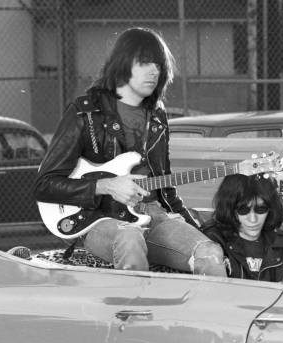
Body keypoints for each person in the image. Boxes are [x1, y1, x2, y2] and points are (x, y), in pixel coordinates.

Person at [34, 27, 225, 275]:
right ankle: (137, 313)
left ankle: (207, 314)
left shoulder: (157, 114)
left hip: (151, 214)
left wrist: (192, 227)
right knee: (130, 238)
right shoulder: (85, 113)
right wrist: (107, 186)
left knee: (210, 254)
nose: (154, 70)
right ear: (122, 63)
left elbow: (164, 184)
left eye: (158, 63)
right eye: (144, 62)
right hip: (98, 218)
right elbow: (44, 184)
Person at [202, 174, 283, 281]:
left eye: (261, 209)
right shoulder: (211, 241)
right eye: (243, 210)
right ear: (230, 209)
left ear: (271, 208)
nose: (253, 219)